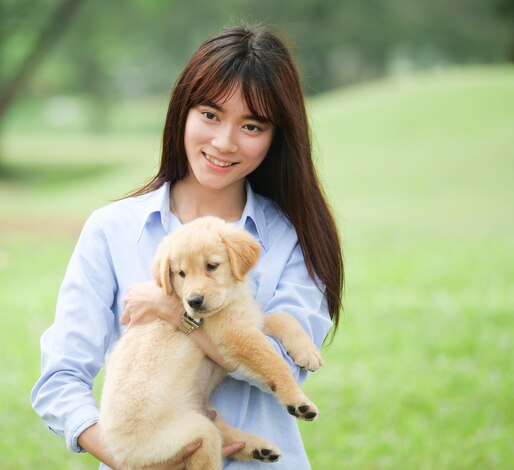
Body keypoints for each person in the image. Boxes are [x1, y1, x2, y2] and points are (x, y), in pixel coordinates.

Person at [31, 24, 343, 469]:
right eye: (210, 115)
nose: (223, 141)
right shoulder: (113, 229)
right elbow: (59, 378)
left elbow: (285, 369)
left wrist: (177, 314)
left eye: (251, 125)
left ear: (276, 136)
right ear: (183, 112)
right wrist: (127, 458)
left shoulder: (293, 236)